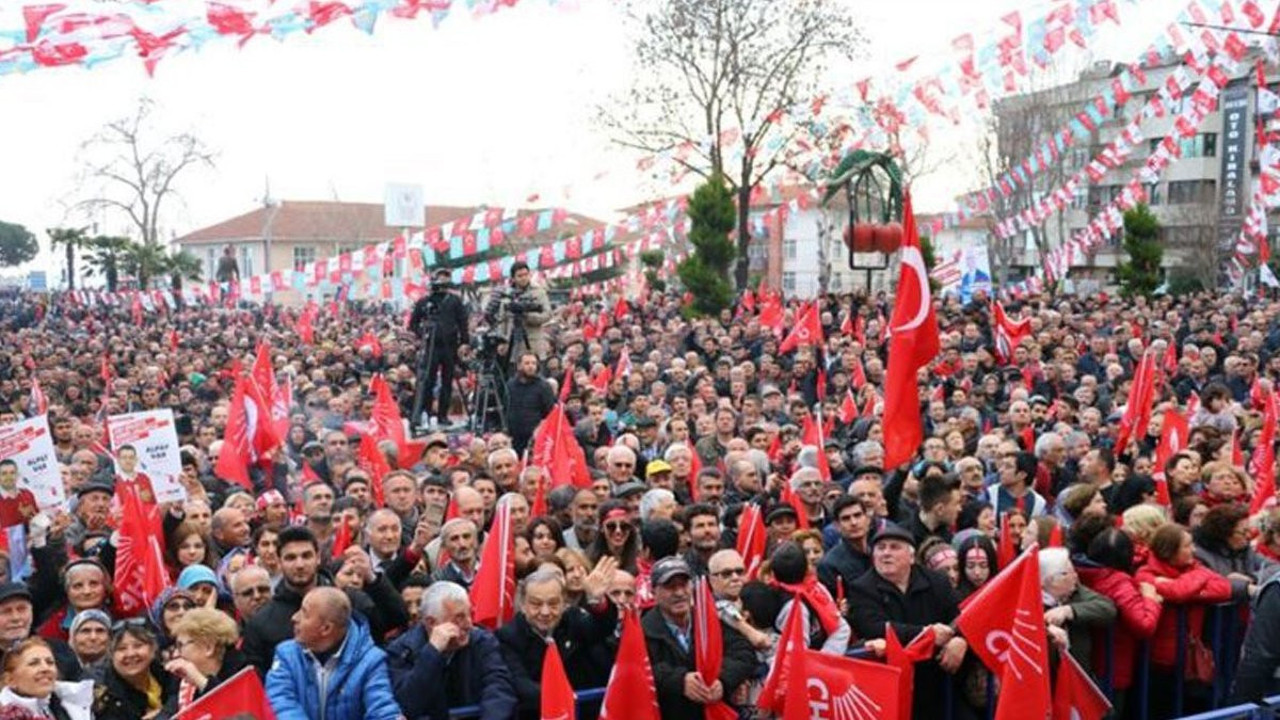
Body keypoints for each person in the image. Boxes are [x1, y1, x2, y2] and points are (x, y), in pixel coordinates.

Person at [847, 523, 967, 720]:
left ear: (911, 557)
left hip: (937, 682)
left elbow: (960, 615)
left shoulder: (937, 581)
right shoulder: (861, 588)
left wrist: (960, 639)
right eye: (881, 548)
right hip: (890, 686)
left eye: (894, 547)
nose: (886, 553)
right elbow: (873, 627)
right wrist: (927, 634)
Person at [495, 565, 619, 719]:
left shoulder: (573, 620)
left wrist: (597, 601)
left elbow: (602, 628)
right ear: (523, 605)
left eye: (553, 604)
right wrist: (562, 698)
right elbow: (521, 684)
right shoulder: (508, 636)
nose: (545, 612)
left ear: (564, 603)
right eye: (536, 604)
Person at [641, 556, 757, 719]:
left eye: (684, 585)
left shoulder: (709, 619)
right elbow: (639, 670)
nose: (679, 593)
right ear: (653, 592)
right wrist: (680, 681)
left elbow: (743, 653)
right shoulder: (642, 630)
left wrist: (722, 680)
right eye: (670, 587)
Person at [265, 587, 402, 720]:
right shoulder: (286, 654)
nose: (294, 617)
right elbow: (280, 702)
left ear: (326, 628)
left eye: (304, 613)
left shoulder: (370, 661)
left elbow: (382, 708)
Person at [386, 581, 516, 720]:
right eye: (459, 618)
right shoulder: (402, 650)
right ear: (431, 622)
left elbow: (499, 689)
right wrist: (432, 652)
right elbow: (408, 705)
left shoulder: (482, 641)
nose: (469, 624)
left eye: (469, 614)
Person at [409, 267, 470, 430]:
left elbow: (463, 323)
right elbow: (413, 323)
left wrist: (465, 342)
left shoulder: (455, 301)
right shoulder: (425, 302)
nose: (442, 282)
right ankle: (426, 413)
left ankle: (443, 414)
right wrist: (424, 332)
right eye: (439, 278)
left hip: (450, 346)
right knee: (427, 380)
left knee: (447, 381)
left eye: (445, 278)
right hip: (431, 346)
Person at [162, 607, 248, 710]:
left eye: (181, 645)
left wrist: (200, 681)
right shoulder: (183, 678)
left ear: (208, 647)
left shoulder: (242, 674)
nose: (176, 654)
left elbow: (234, 710)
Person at [93, 621, 176, 720]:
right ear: (111, 656)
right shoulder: (105, 694)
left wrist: (165, 713)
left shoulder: (166, 672)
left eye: (138, 646)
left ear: (153, 649)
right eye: (121, 648)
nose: (131, 654)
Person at [0, 637, 94, 720]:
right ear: (10, 679)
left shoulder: (70, 706)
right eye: (33, 663)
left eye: (50, 662)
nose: (45, 668)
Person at [485, 261, 551, 362]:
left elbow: (547, 314)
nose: (524, 278)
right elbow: (503, 320)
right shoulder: (507, 293)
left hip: (533, 342)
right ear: (513, 278)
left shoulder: (538, 292)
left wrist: (526, 316)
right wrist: (502, 341)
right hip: (512, 342)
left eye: (526, 274)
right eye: (519, 276)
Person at [504, 352, 555, 456]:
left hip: (535, 436)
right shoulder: (510, 385)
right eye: (527, 363)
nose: (531, 366)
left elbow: (550, 413)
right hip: (515, 436)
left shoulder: (543, 386)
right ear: (519, 366)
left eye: (533, 363)